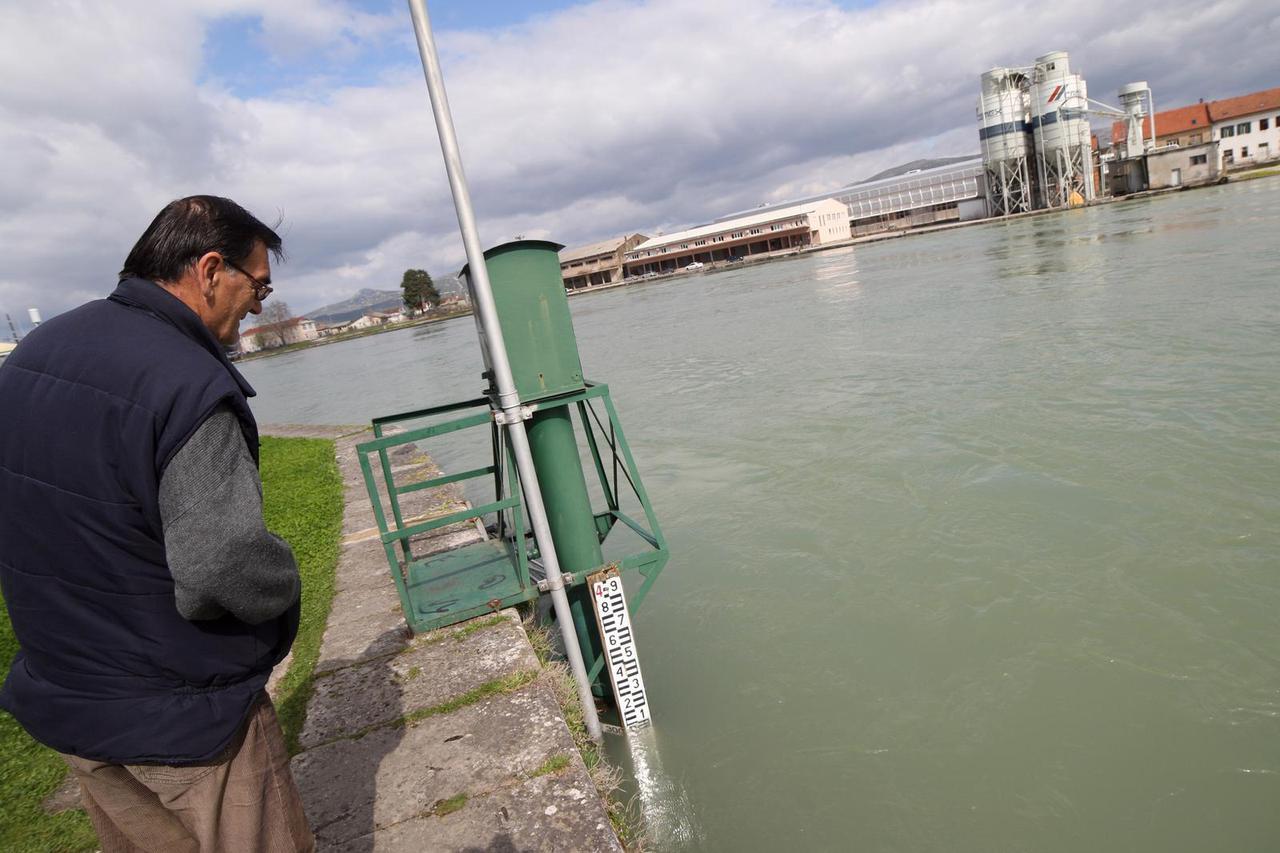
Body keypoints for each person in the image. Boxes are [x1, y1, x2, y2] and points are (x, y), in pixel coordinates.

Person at [0, 196, 314, 851]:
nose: (257, 308)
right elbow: (223, 563)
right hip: (186, 717)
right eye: (258, 288)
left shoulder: (32, 355)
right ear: (210, 269)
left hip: (72, 699)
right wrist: (284, 586)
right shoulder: (186, 381)